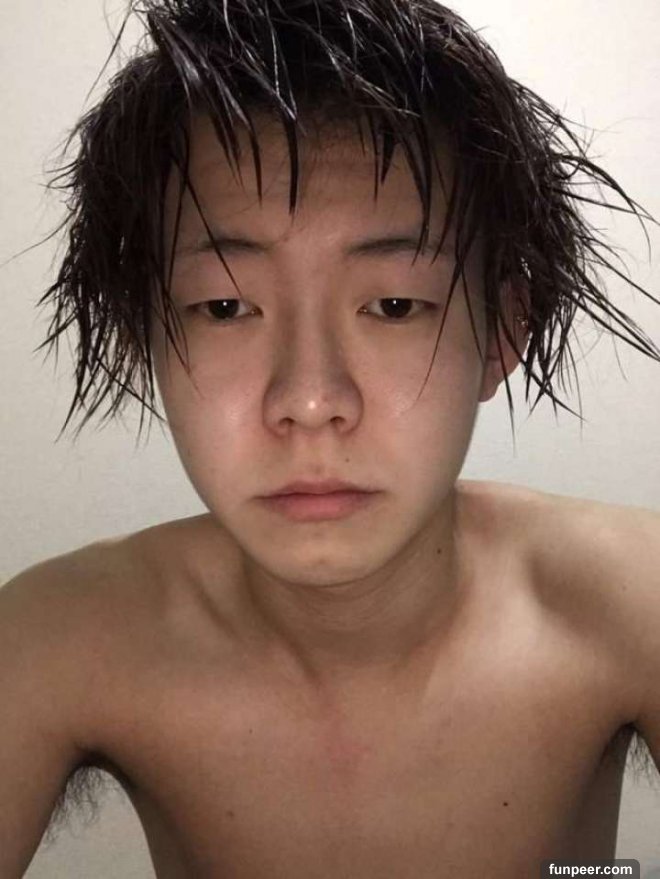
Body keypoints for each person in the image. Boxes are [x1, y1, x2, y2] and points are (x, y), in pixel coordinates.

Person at [2, 0, 660, 875]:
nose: (310, 401)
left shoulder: (634, 599)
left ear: (504, 331)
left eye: (394, 303)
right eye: (224, 306)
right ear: (144, 335)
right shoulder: (59, 639)